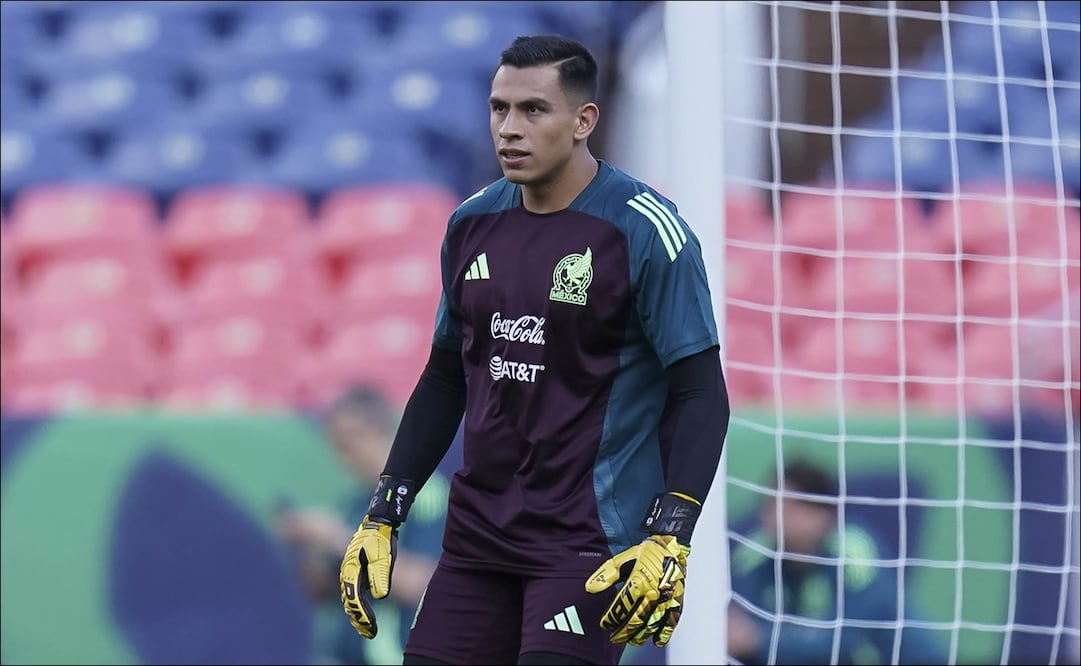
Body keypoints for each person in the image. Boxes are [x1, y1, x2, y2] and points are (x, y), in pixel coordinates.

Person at [336, 34, 731, 666]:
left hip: (586, 544)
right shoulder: (471, 223)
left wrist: (671, 535)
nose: (509, 129)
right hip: (476, 540)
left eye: (533, 110)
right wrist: (385, 511)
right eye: (499, 109)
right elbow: (444, 378)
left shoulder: (646, 230)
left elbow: (700, 392)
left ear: (583, 120)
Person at [278, 384, 451, 664]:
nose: (345, 458)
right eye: (338, 447)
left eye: (350, 443)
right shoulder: (355, 504)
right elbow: (321, 593)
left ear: (379, 431)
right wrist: (315, 551)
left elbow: (424, 585)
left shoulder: (427, 495)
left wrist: (338, 538)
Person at [727, 460, 947, 665]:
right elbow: (740, 629)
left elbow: (844, 641)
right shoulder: (754, 555)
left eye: (790, 507)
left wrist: (758, 641)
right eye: (770, 504)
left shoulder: (854, 553)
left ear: (823, 513)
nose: (775, 516)